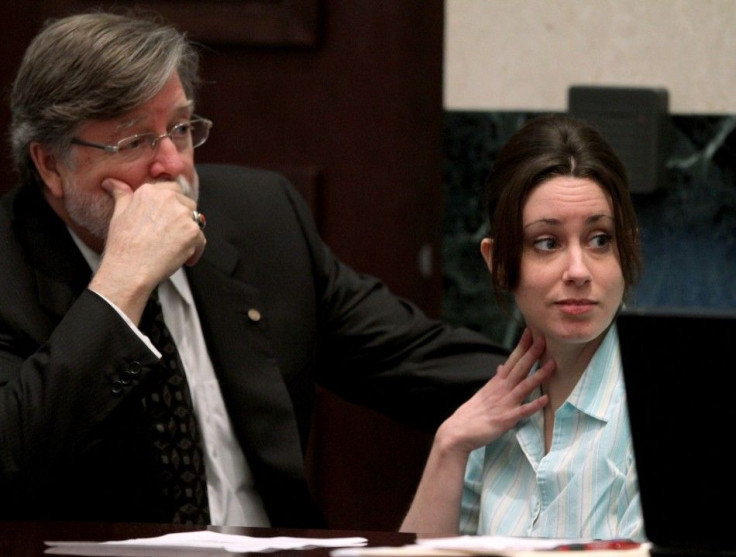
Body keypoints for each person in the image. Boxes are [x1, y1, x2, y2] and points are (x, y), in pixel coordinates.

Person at [0, 11, 508, 528]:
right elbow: (13, 463)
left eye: (179, 128)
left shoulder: (259, 218)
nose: (172, 164)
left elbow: (413, 358)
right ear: (49, 164)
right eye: (133, 142)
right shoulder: (8, 272)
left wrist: (570, 380)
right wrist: (122, 282)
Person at [400, 115, 645, 540]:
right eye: (547, 243)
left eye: (600, 239)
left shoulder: (658, 417)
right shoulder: (492, 415)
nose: (578, 270)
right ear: (497, 264)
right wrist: (449, 446)